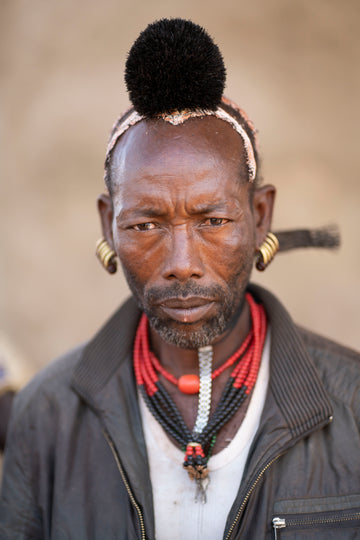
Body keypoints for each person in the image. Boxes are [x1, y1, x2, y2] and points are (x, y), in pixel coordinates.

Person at [1, 18, 359, 539]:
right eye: (145, 225)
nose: (182, 262)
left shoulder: (352, 406)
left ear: (262, 214)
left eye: (213, 221)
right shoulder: (46, 415)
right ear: (108, 224)